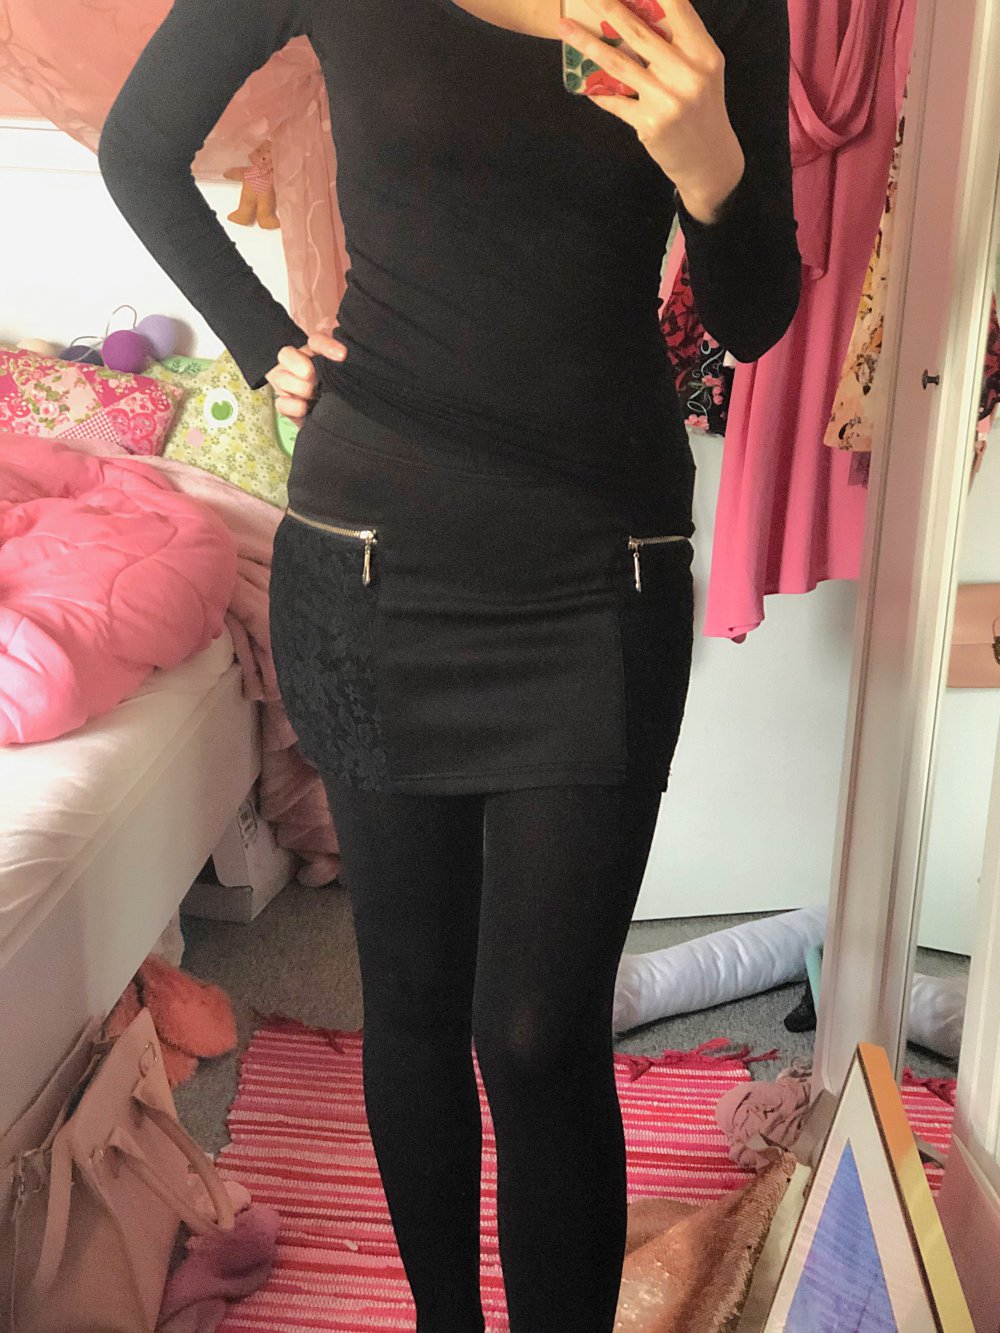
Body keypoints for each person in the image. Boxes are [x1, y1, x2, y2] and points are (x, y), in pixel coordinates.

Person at [97, 1, 801, 1329]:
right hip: (370, 564)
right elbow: (139, 147)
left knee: (540, 1033)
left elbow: (755, 317)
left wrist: (711, 167)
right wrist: (267, 344)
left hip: (601, 571)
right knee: (412, 1002)